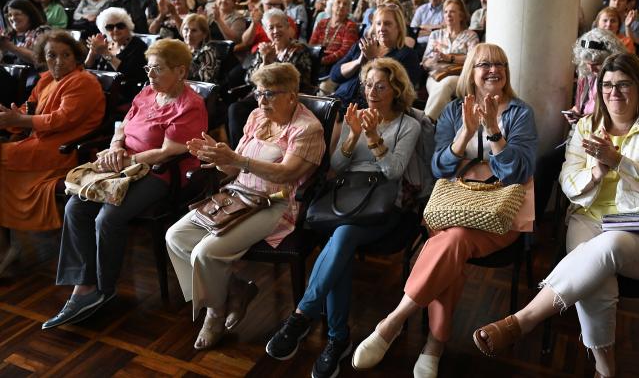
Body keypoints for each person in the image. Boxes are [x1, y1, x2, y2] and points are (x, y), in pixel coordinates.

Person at [473, 53, 639, 378]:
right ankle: (606, 370)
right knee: (595, 277)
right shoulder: (587, 126)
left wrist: (619, 162)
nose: (614, 93)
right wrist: (597, 174)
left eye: (624, 84)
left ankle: (524, 320)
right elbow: (568, 185)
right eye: (608, 85)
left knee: (609, 247)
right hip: (588, 220)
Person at [352, 43, 536, 378]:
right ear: (471, 71)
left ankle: (394, 322)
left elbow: (519, 173)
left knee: (452, 242)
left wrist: (494, 131)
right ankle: (433, 344)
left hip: (499, 213)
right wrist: (464, 134)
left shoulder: (520, 113)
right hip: (454, 205)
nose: (493, 70)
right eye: (484, 64)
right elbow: (439, 167)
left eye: (500, 64)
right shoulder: (454, 111)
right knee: (453, 244)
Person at [265, 58, 421, 378]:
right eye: (368, 85)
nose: (372, 92)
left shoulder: (409, 125)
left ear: (396, 89)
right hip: (345, 202)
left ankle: (304, 317)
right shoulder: (357, 115)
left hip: (383, 208)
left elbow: (393, 172)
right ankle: (337, 340)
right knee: (342, 242)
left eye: (380, 86)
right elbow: (335, 166)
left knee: (342, 239)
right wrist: (352, 136)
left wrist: (375, 137)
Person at [43, 39, 207, 329]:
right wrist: (116, 146)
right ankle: (84, 284)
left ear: (180, 71)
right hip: (124, 165)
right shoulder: (146, 93)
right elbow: (123, 126)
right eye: (148, 68)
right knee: (75, 206)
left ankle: (104, 288)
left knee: (109, 216)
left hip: (161, 175)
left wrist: (127, 160)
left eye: (157, 69)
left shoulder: (190, 105)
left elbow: (168, 152)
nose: (150, 75)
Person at [167, 63, 324, 350]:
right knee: (175, 237)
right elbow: (234, 168)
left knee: (205, 252)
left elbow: (286, 173)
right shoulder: (256, 117)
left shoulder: (307, 128)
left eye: (270, 94)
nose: (261, 101)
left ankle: (214, 313)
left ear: (291, 95)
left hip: (274, 205)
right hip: (237, 196)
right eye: (259, 93)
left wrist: (238, 161)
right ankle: (235, 289)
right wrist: (218, 157)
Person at [0, 31, 105, 274]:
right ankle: (8, 244)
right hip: (39, 145)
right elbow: (29, 109)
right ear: (42, 57)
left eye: (65, 55)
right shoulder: (46, 80)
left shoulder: (83, 81)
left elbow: (60, 120)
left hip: (64, 151)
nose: (58, 61)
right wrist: (9, 117)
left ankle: (7, 246)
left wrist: (20, 120)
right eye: (51, 55)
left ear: (76, 56)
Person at [227, 10, 312, 147]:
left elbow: (296, 81)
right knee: (235, 109)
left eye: (279, 26)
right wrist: (265, 62)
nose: (275, 31)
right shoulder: (264, 50)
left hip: (285, 97)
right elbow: (249, 78)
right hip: (262, 95)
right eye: (271, 28)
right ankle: (240, 152)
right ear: (266, 31)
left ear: (288, 27)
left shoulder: (299, 49)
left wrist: (273, 61)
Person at [330, 5, 421, 107]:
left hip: (370, 109)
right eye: (378, 23)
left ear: (399, 27)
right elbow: (334, 75)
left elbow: (399, 93)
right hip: (340, 100)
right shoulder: (363, 45)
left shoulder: (408, 55)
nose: (382, 28)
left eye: (387, 24)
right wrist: (359, 62)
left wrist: (373, 60)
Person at [421, 0, 479, 120]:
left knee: (445, 85)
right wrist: (435, 59)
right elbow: (425, 62)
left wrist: (448, 58)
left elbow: (472, 59)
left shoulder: (470, 35)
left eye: (452, 11)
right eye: (446, 12)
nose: (448, 15)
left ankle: (426, 122)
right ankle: (436, 125)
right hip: (436, 75)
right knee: (439, 88)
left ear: (462, 15)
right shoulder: (435, 35)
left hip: (460, 77)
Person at [84, 8, 148, 103]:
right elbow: (85, 69)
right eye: (110, 27)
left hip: (123, 93)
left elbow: (127, 74)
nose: (115, 30)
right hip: (97, 90)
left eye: (120, 26)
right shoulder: (104, 44)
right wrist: (92, 53)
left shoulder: (138, 46)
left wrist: (105, 53)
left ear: (128, 26)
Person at [564, 28, 626, 125]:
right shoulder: (586, 75)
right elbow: (581, 106)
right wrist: (574, 112)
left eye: (597, 64)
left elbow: (622, 118)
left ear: (611, 59)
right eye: (588, 64)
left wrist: (590, 119)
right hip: (582, 128)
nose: (591, 69)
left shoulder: (621, 82)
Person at [309, 0, 359, 71]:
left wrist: (323, 60)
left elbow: (345, 51)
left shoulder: (350, 26)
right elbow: (312, 44)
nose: (341, 6)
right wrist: (314, 59)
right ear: (331, 5)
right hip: (316, 62)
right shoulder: (322, 23)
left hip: (336, 66)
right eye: (338, 2)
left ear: (348, 9)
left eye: (345, 4)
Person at [0, 0, 51, 66]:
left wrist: (11, 47)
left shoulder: (42, 31)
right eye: (10, 15)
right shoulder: (7, 35)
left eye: (17, 14)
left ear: (29, 15)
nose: (13, 18)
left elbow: (42, 60)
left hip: (37, 74)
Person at [181, 14, 220, 83]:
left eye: (194, 30)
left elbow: (206, 80)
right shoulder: (178, 49)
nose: (189, 34)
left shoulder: (207, 53)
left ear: (204, 34)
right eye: (186, 29)